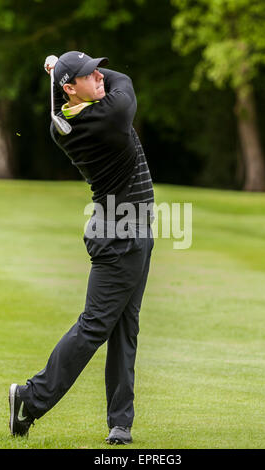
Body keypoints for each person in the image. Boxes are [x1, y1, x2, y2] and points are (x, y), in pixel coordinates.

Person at [8, 51, 155, 445]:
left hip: (125, 229)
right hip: (124, 235)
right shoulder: (112, 114)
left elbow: (67, 96)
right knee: (94, 326)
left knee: (126, 326)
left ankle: (120, 423)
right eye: (90, 74)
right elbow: (123, 77)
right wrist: (60, 71)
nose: (100, 77)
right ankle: (30, 397)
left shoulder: (63, 124)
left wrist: (63, 74)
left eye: (96, 69)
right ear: (71, 88)